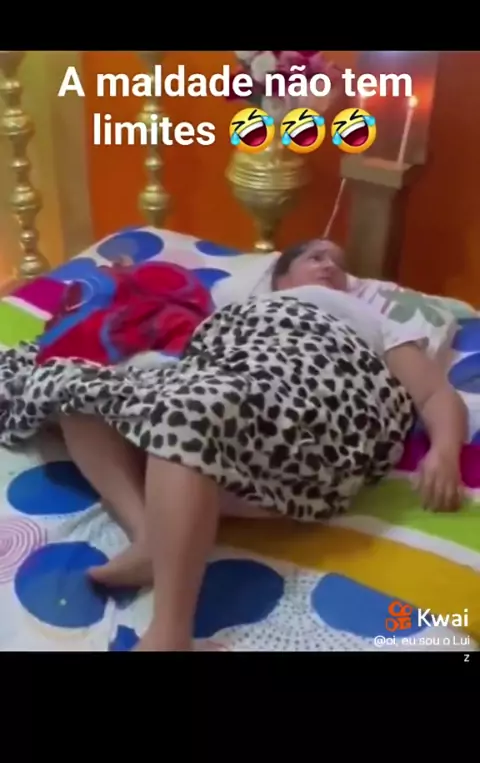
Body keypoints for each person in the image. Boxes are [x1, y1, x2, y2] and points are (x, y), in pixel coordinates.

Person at [0, 239, 468, 652]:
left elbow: (434, 394)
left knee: (189, 412)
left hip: (302, 424)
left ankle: (170, 629)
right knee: (71, 385)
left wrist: (444, 451)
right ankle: (147, 536)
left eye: (339, 264)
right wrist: (125, 277)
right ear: (281, 277)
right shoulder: (237, 307)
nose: (331, 266)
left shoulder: (369, 317)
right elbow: (159, 310)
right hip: (222, 406)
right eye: (315, 257)